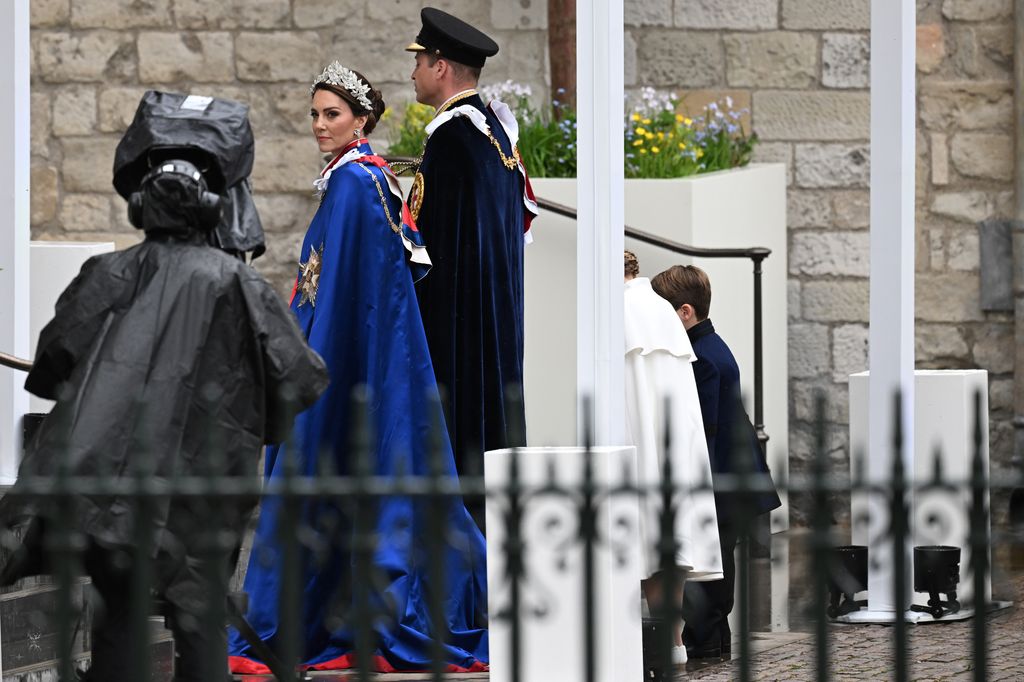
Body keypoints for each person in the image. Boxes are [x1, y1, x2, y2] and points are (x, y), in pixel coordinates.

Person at [0, 115, 329, 682]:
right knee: (200, 634)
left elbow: (50, 370)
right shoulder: (238, 283)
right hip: (203, 495)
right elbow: (300, 379)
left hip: (112, 500)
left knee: (117, 629)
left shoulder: (108, 273)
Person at [227, 62, 489, 674]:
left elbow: (349, 293)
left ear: (361, 120)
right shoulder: (360, 179)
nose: (320, 125)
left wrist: (313, 362)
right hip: (353, 356)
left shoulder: (353, 186)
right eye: (315, 114)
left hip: (347, 361)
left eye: (332, 114)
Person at [405, 8, 538, 524]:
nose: (413, 72)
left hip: (460, 338)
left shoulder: (452, 141)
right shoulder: (491, 135)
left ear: (441, 67)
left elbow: (437, 254)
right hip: (494, 330)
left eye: (419, 61)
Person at [651, 264, 781, 660]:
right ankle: (716, 640)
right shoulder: (713, 346)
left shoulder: (701, 358)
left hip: (721, 475)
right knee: (721, 559)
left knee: (710, 562)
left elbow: (702, 428)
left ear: (685, 312)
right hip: (734, 474)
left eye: (664, 312)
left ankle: (705, 640)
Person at [623, 251, 723, 667]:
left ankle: (650, 639)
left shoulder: (617, 308)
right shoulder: (661, 310)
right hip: (677, 443)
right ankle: (674, 639)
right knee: (672, 538)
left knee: (642, 531)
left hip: (636, 438)